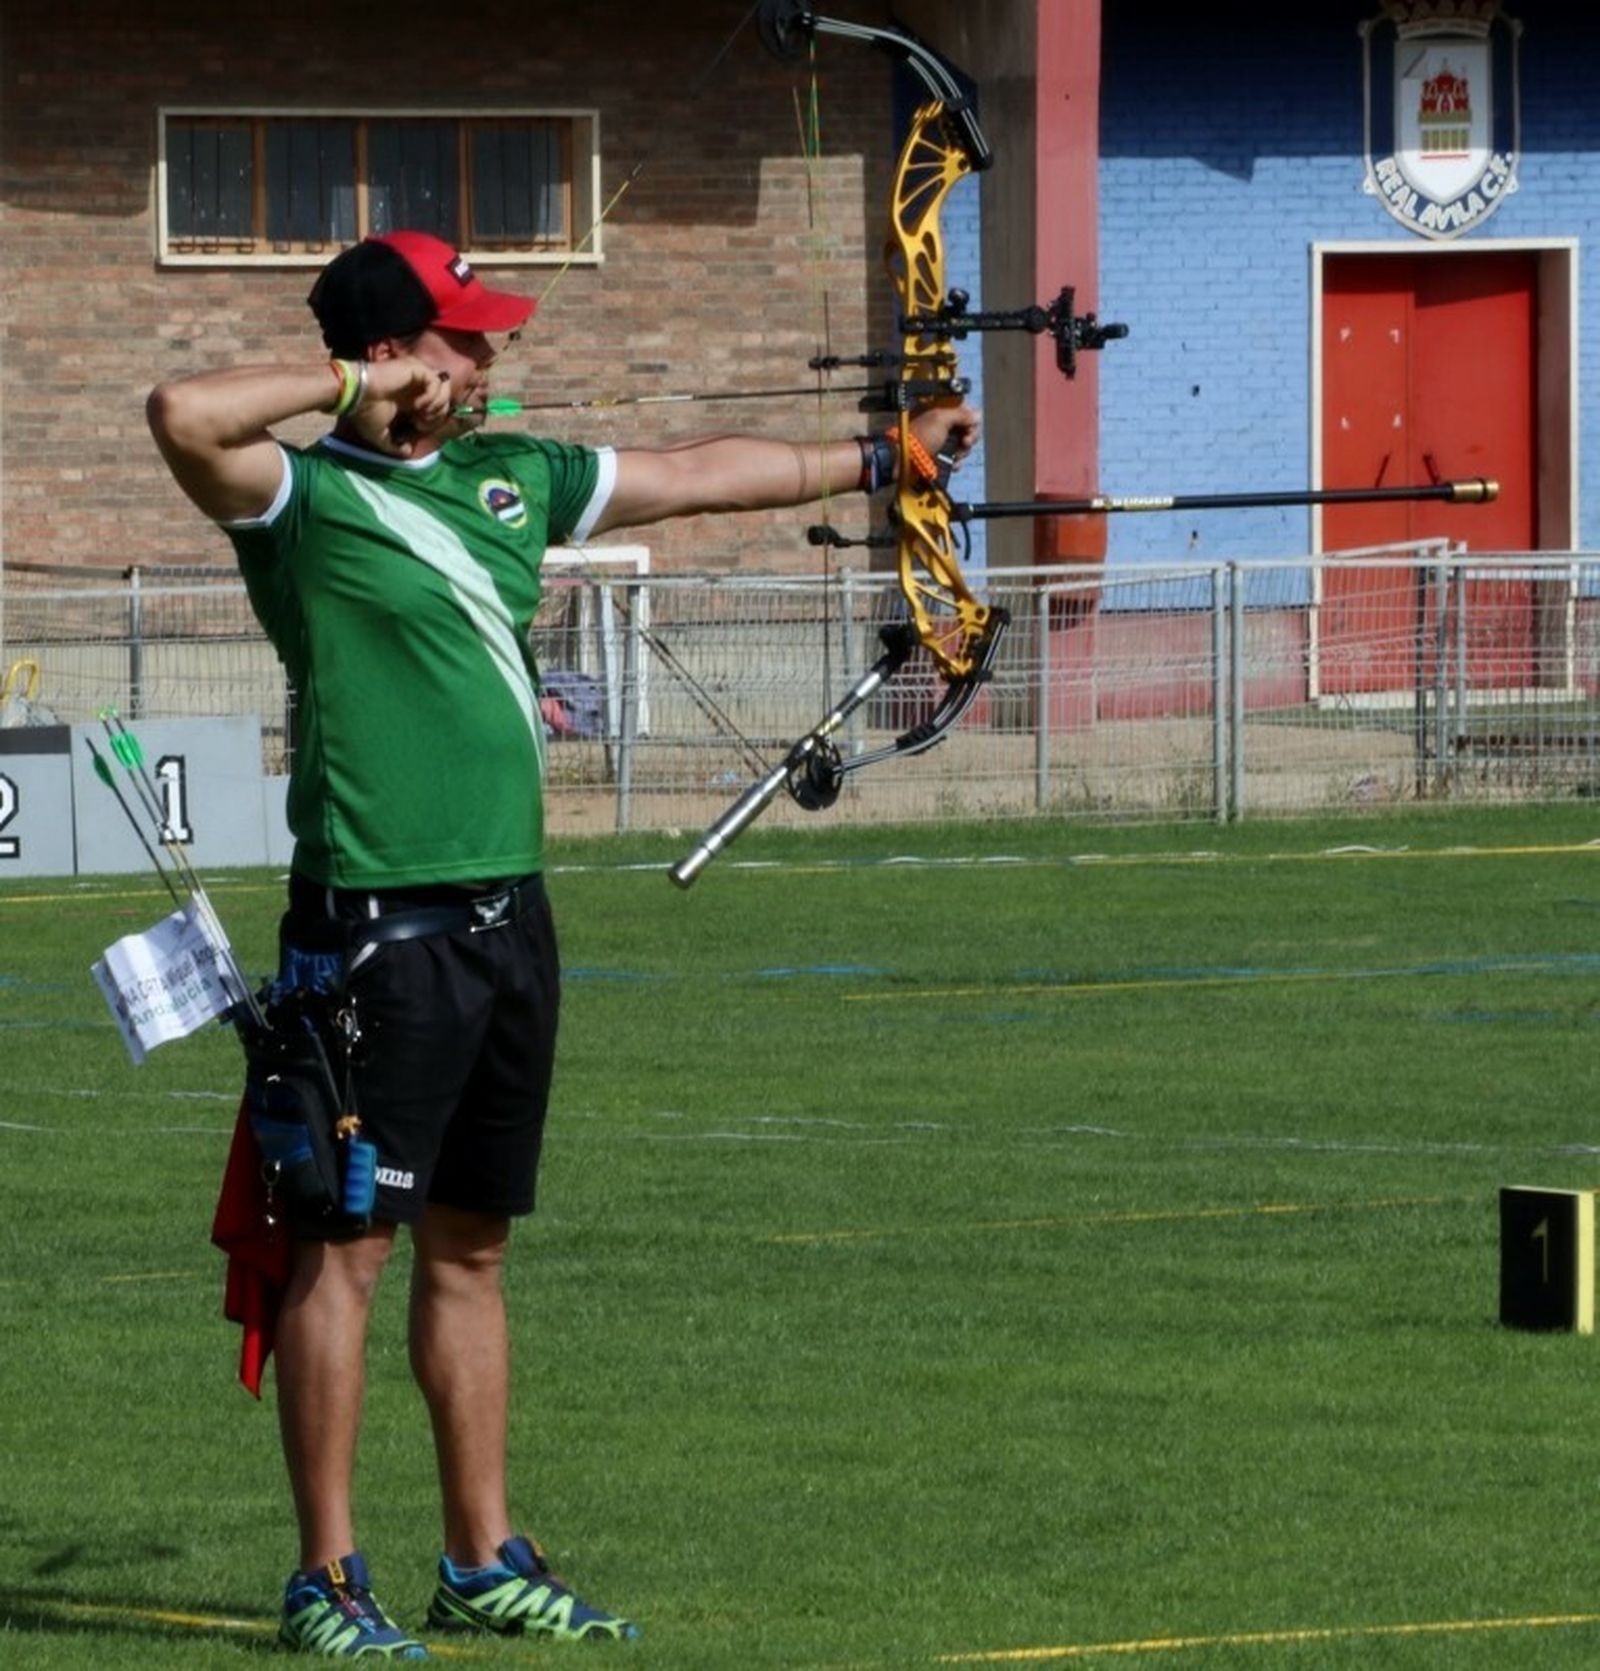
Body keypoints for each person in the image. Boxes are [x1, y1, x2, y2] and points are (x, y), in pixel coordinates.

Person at [146, 229, 979, 1658]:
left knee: (470, 1249)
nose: (489, 358)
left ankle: (481, 1558)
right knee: (343, 1255)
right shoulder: (300, 496)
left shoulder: (514, 477)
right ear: (396, 347)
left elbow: (700, 474)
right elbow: (182, 415)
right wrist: (354, 390)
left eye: (480, 339)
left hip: (508, 919)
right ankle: (325, 1579)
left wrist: (881, 458)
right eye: (460, 338)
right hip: (374, 930)